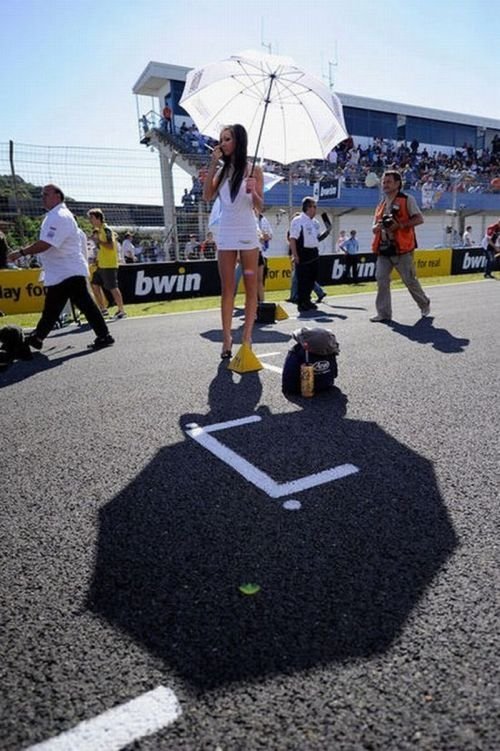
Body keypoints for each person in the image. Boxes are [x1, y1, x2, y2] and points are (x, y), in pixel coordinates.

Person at [7, 184, 114, 351]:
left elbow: (47, 244)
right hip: (63, 271)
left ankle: (103, 335)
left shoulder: (59, 216)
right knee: (56, 307)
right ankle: (38, 337)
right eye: (42, 195)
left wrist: (21, 252)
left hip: (67, 272)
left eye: (46, 194)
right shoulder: (55, 216)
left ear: (58, 196)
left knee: (74, 306)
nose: (42, 197)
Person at [203, 123, 263, 358]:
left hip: (248, 232)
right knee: (228, 289)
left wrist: (253, 191)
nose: (222, 143)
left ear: (238, 141)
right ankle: (227, 338)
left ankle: (247, 338)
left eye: (227, 139)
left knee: (250, 288)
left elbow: (260, 206)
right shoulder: (220, 171)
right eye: (221, 139)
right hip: (226, 233)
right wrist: (212, 165)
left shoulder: (253, 169)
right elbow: (207, 196)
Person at [370, 170, 430, 322]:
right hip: (384, 248)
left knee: (409, 280)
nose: (385, 184)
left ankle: (424, 303)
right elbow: (374, 227)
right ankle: (384, 314)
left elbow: (419, 219)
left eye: (388, 181)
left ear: (397, 184)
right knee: (381, 279)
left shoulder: (407, 199)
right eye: (384, 181)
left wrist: (400, 225)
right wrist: (377, 227)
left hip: (402, 249)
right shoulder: (381, 205)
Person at [288, 197, 332, 312]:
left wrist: (327, 232)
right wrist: (295, 255)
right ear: (308, 207)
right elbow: (292, 239)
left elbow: (318, 238)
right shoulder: (298, 220)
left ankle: (307, 300)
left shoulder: (315, 222)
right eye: (314, 206)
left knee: (312, 279)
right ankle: (301, 302)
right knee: (303, 279)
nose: (315, 209)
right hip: (303, 252)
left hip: (314, 252)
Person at [87, 208, 127, 319]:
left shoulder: (106, 230)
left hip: (109, 264)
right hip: (101, 265)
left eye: (91, 218)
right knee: (94, 285)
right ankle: (103, 309)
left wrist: (98, 241)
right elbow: (102, 248)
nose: (90, 220)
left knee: (113, 287)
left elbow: (110, 246)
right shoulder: (98, 231)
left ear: (98, 218)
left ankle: (121, 310)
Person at [256, 210, 272, 302]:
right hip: (248, 253)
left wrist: (264, 237)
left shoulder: (263, 220)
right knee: (238, 278)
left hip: (261, 253)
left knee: (260, 280)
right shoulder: (247, 219)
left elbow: (269, 235)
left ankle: (261, 302)